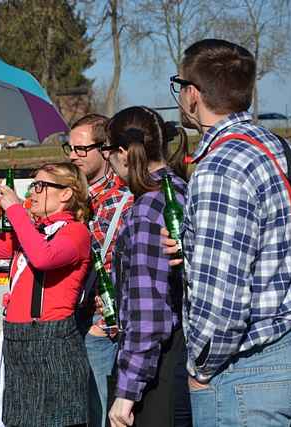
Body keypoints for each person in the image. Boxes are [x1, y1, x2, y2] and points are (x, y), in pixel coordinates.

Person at [172, 39, 291, 426]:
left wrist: (199, 368)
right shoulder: (289, 152)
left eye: (179, 87)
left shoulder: (219, 167)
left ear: (193, 95)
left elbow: (221, 301)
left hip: (248, 371)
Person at [0, 162, 91, 427]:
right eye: (32, 186)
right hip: (19, 341)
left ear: (66, 193)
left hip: (53, 343)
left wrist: (15, 209)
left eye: (41, 186)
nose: (32, 193)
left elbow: (43, 257)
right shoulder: (30, 233)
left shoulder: (76, 232)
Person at [101, 106, 191, 427]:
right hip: (182, 356)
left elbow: (149, 310)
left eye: (108, 153)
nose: (109, 163)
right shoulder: (181, 190)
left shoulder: (148, 207)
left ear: (123, 153)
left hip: (157, 368)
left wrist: (126, 394)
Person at [64, 113, 133, 427]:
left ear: (105, 150)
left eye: (81, 149)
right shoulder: (72, 198)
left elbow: (131, 266)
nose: (73, 156)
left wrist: (102, 325)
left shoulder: (123, 199)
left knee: (102, 412)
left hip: (102, 323)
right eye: (69, 148)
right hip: (72, 317)